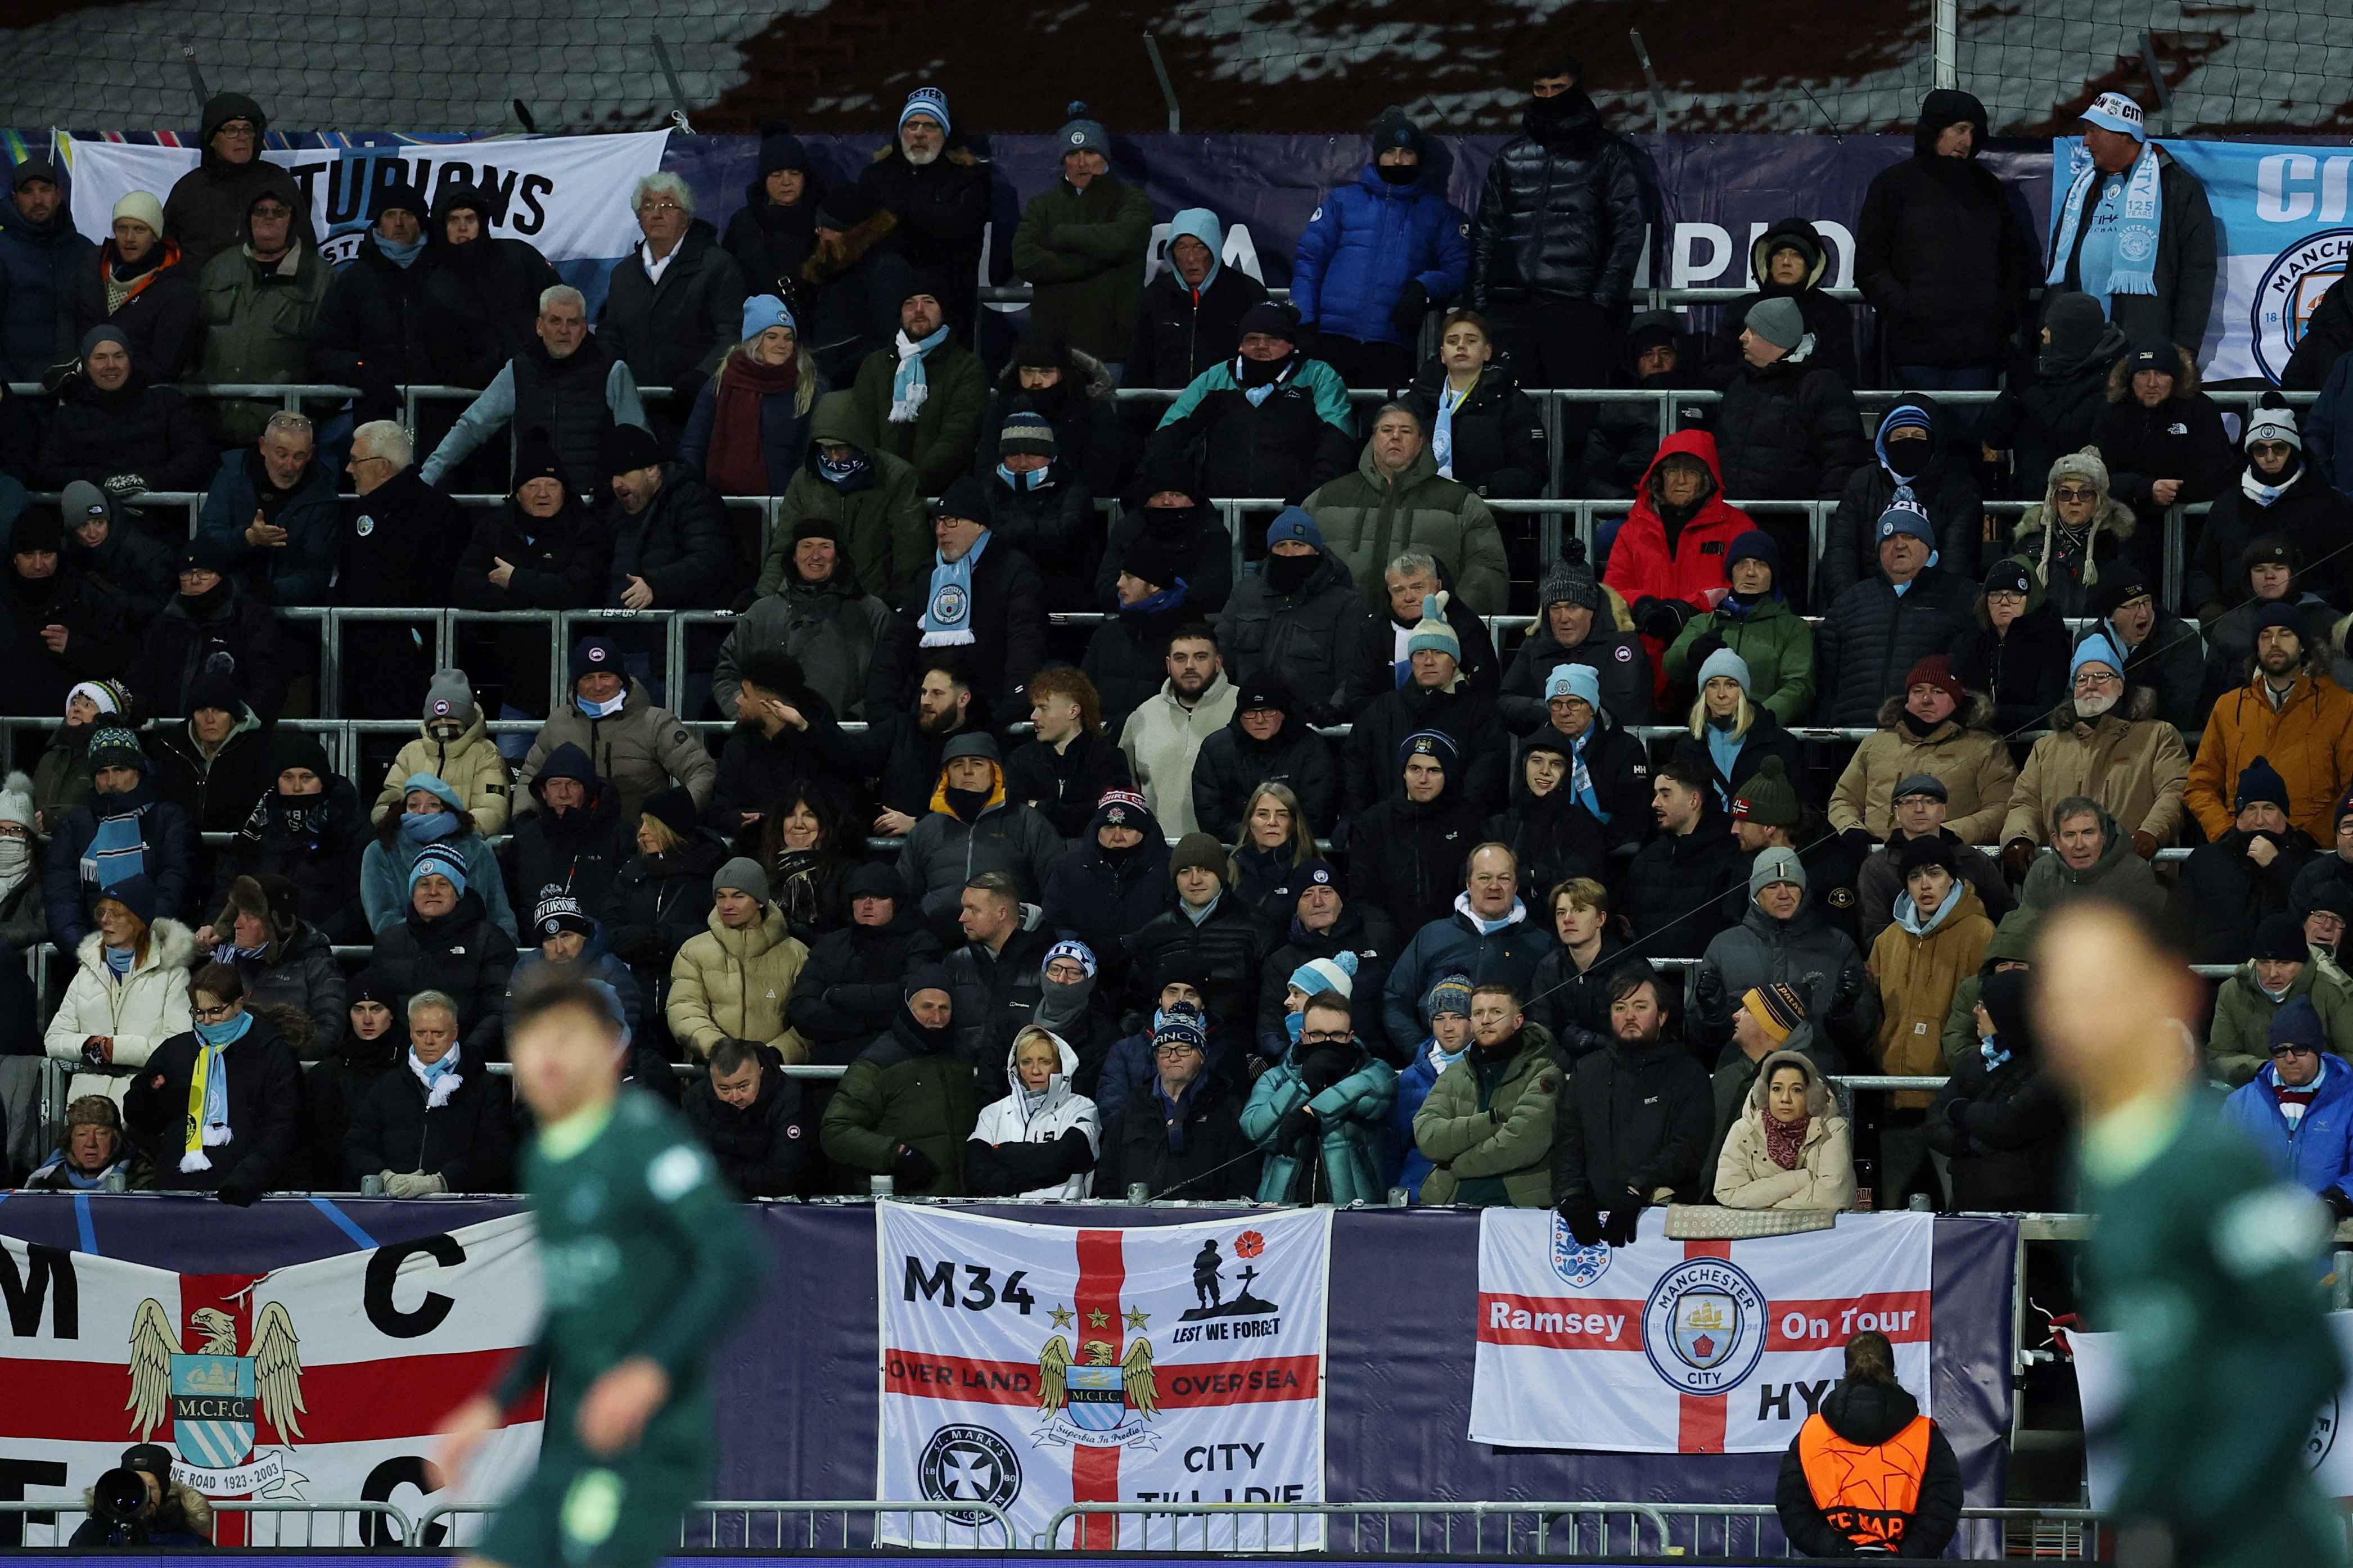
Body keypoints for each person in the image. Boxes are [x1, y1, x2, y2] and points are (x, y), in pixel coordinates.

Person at [2044, 902, 2350, 1568]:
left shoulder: (2212, 1157)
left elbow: (2304, 1356)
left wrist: (2200, 1504)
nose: (2076, 1019)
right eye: (2058, 994)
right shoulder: (2098, 1156)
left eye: (2100, 990)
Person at [434, 977, 761, 1568]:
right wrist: (492, 1403)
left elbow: (738, 1259)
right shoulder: (544, 1157)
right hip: (573, 1443)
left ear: (611, 1049)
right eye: (531, 1040)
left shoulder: (643, 1135)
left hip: (647, 1442)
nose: (547, 1055)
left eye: (567, 1037)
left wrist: (648, 1370)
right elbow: (567, 1306)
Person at [1468, 60, 1644, 396]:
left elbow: (1629, 230)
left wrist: (1600, 303)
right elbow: (1486, 230)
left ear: (1577, 88)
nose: (1549, 97)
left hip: (1575, 309)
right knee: (1507, 414)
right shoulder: (1511, 156)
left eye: (1558, 89)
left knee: (1576, 418)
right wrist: (1479, 301)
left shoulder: (1609, 155)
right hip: (1509, 307)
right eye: (1541, 90)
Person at [1855, 89, 2034, 394]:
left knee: (1970, 441)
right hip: (1914, 355)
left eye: (1973, 133)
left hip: (1979, 355)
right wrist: (1908, 310)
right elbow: (1870, 267)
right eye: (1959, 130)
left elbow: (2016, 262)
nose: (1967, 142)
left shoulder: (1989, 189)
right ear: (1935, 130)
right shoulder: (1892, 186)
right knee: (1916, 438)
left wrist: (1999, 317)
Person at [1291, 106, 1468, 389]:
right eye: (1390, 152)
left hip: (1392, 343)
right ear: (1377, 157)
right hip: (1331, 339)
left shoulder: (1439, 214)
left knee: (1386, 429)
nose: (1398, 161)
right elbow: (1309, 260)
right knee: (1326, 425)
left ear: (1418, 158)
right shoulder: (1343, 201)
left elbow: (1460, 266)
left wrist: (1424, 288)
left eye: (1407, 153)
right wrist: (1304, 322)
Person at [422, 285, 650, 500]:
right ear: (539, 326)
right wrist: (427, 477)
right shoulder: (519, 370)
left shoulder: (612, 370)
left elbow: (638, 442)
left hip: (596, 508)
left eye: (572, 322)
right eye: (555, 321)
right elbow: (472, 427)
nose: (563, 330)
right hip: (534, 507)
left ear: (584, 328)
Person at [1867, 834, 1995, 1205]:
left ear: (1951, 879)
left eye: (1935, 873)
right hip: (1895, 1098)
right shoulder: (1888, 940)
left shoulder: (1980, 933)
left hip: (1953, 1099)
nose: (1925, 884)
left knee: (1959, 1212)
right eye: (1915, 876)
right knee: (1894, 1217)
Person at [2046, 92, 2219, 353]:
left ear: (2123, 135)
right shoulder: (2082, 189)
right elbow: (2056, 268)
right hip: (2077, 348)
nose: (2085, 142)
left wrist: (2183, 349)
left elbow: (2197, 276)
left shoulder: (2178, 188)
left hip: (2140, 350)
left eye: (2094, 132)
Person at [1552, 966, 1713, 1239]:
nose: (1630, 1016)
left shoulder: (1688, 1073)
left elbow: (1688, 1147)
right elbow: (1569, 1141)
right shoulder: (1588, 1070)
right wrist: (1572, 1197)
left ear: (1662, 1016)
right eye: (1620, 1008)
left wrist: (1638, 1188)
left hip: (1659, 1220)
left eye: (1641, 1006)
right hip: (1591, 1218)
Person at [1305, 403, 1509, 615]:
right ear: (1374, 440)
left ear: (1421, 442)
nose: (1395, 437)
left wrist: (1449, 621)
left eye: (1406, 431)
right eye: (1386, 430)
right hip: (1342, 634)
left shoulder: (1461, 501)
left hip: (1429, 639)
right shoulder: (1326, 497)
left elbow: (1487, 570)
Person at [121, 961, 301, 1202]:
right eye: (198, 1011)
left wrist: (248, 1177)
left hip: (248, 1192)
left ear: (239, 1004)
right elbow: (141, 1122)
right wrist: (148, 1094)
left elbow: (283, 1125)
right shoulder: (175, 1051)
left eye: (216, 1011)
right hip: (178, 1190)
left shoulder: (271, 1051)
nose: (206, 1020)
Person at [1147, 300, 1356, 507]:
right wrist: (1156, 485)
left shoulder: (1318, 376)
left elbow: (1338, 438)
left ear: (1291, 344)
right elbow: (1170, 434)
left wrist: (1314, 492)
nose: (1261, 346)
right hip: (1222, 509)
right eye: (1252, 339)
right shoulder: (1215, 378)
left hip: (1298, 512)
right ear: (1240, 345)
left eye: (1273, 339)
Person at [1775, 1330, 1963, 1558]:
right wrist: (1904, 1558)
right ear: (1892, 1370)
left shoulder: (1811, 1434)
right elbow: (1943, 1506)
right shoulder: (1924, 1434)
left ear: (1846, 1370)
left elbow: (1793, 1507)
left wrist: (1840, 1553)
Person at [2000, 635, 2190, 861]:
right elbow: (2025, 802)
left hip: (2134, 870)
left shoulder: (2158, 736)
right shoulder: (2046, 747)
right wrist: (2019, 838)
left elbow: (2175, 790)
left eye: (2102, 677)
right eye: (2082, 679)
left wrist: (2152, 832)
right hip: (2062, 876)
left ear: (2121, 686)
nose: (2091, 685)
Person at [1710, 297, 1869, 555]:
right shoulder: (1740, 384)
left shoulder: (1821, 385)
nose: (1742, 338)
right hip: (1734, 524)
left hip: (1797, 531)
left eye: (1753, 331)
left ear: (1776, 339)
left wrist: (1825, 523)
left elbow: (1842, 461)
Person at [1690, 844, 1881, 1059]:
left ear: (1804, 889)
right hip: (1741, 1077)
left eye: (1791, 885)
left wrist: (1845, 1013)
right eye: (1772, 887)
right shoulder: (1723, 947)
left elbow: (1864, 1034)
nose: (1783, 894)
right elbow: (1699, 1039)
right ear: (1755, 895)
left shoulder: (1838, 946)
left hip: (1815, 1074)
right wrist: (1712, 1014)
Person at [882, 477, 1048, 719]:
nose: (941, 530)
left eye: (952, 521)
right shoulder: (928, 575)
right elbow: (896, 643)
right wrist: (883, 707)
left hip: (988, 712)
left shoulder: (1015, 571)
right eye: (938, 522)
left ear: (980, 525)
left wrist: (1011, 708)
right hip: (925, 713)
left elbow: (1025, 642)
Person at [2189, 603, 2353, 843]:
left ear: (2303, 644)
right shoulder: (2228, 707)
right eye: (2265, 636)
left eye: (2285, 634)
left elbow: (2351, 785)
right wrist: (2225, 832)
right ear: (2256, 647)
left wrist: (2311, 838)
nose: (2274, 643)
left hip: (2311, 856)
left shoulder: (2341, 706)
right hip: (2240, 851)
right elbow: (2200, 784)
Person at [337, 419, 471, 713]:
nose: (349, 469)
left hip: (414, 660)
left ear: (383, 466)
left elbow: (443, 585)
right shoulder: (358, 511)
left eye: (355, 461)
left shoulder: (439, 512)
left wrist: (414, 633)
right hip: (360, 654)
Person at [515, 634, 715, 828]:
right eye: (588, 678)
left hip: (641, 845)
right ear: (575, 683)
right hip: (572, 843)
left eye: (606, 676)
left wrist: (675, 821)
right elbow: (530, 775)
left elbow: (701, 770)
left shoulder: (655, 722)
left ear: (622, 679)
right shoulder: (558, 722)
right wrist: (524, 819)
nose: (598, 686)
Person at [1010, 104, 1153, 368]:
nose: (1082, 162)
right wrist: (1091, 263)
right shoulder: (1042, 205)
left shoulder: (1132, 201)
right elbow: (1025, 260)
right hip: (1054, 350)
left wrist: (1060, 236)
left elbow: (1122, 241)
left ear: (1106, 157)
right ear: (1063, 159)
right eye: (1073, 153)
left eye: (1090, 152)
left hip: (1111, 350)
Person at [194, 174, 332, 447]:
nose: (269, 218)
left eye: (279, 212)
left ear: (293, 219)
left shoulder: (319, 277)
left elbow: (332, 356)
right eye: (260, 211)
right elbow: (189, 343)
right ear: (248, 217)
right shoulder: (217, 269)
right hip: (209, 428)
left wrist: (308, 417)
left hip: (284, 438)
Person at [1602, 432, 1759, 670]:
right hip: (1644, 655)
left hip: (1712, 653)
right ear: (1660, 477)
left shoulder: (1737, 527)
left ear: (1707, 478)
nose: (1681, 480)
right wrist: (1643, 605)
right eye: (1672, 471)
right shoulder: (1633, 529)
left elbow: (1747, 588)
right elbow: (1614, 589)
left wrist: (1688, 609)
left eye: (1691, 472)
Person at [1380, 841, 1556, 1053]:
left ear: (1516, 886)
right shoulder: (1432, 935)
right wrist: (1421, 1052)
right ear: (1468, 884)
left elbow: (1549, 1016)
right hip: (1437, 1070)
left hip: (1509, 1070)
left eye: (1504, 878)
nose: (1494, 886)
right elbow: (1395, 1001)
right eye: (1484, 878)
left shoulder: (1540, 944)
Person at [598, 171, 748, 417]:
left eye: (668, 205)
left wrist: (701, 378)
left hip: (701, 406)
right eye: (648, 206)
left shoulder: (718, 266)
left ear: (686, 217)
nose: (657, 213)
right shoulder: (623, 274)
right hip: (633, 408)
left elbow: (732, 335)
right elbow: (611, 335)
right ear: (638, 217)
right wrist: (612, 375)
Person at [1813, 505, 1978, 728]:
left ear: (1928, 547)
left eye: (1910, 536)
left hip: (1930, 740)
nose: (1899, 545)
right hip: (1853, 738)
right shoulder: (1848, 603)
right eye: (1889, 538)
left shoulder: (1963, 598)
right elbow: (1826, 683)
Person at [718, 519, 896, 724]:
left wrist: (853, 722)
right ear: (794, 555)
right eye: (807, 546)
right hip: (768, 744)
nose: (815, 556)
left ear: (838, 557)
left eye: (825, 547)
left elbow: (889, 680)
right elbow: (727, 673)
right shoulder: (761, 612)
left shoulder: (872, 612)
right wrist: (748, 714)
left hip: (844, 743)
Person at [822, 964, 980, 1195]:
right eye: (927, 1007)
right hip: (902, 1207)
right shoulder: (878, 1063)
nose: (936, 1017)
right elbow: (835, 1131)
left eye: (944, 1008)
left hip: (962, 1202)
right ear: (908, 1007)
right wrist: (896, 1154)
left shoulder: (962, 1058)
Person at [1344, 600, 1510, 816]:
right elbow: (1355, 766)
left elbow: (1484, 782)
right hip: (1392, 831)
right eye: (1420, 654)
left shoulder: (1481, 713)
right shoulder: (1383, 710)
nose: (1428, 661)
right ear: (1411, 661)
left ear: (1455, 661)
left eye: (1438, 653)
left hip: (1457, 833)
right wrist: (1358, 818)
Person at [1412, 978, 1565, 1209]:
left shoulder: (1544, 1071)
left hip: (1517, 1207)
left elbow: (1524, 1143)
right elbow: (1428, 1137)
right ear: (1471, 1022)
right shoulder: (1453, 1074)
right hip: (1446, 1201)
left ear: (1517, 1021)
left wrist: (1458, 1165)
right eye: (1478, 1013)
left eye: (1496, 1012)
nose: (1486, 1020)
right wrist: (1488, 1123)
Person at [1827, 656, 2016, 844]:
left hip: (1949, 858)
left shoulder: (1985, 747)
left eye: (1938, 692)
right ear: (1907, 698)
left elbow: (2001, 808)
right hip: (1876, 858)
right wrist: (1853, 830)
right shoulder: (1875, 743)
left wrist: (1941, 835)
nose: (1926, 700)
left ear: (1958, 699)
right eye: (1918, 691)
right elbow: (1843, 800)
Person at [42, 876, 196, 1105]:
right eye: (101, 913)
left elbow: (178, 1046)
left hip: (143, 1105)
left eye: (115, 914)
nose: (105, 921)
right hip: (86, 1105)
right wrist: (88, 1044)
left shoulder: (172, 975)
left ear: (139, 920)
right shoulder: (88, 970)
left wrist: (115, 1049)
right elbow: (53, 1039)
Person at [344, 989, 515, 1194]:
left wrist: (442, 1181)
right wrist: (385, 1176)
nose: (429, 1041)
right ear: (410, 1032)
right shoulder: (388, 1085)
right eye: (420, 1033)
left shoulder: (484, 1086)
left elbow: (496, 1154)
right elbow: (355, 1145)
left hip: (462, 1210)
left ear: (455, 1032)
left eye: (438, 1033)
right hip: (391, 1206)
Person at [2193, 397, 2353, 617]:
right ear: (2250, 453)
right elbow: (2202, 569)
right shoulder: (2227, 505)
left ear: (2293, 450)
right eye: (2261, 449)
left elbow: (2345, 573)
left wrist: (2320, 612)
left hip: (2309, 627)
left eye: (2279, 448)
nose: (2270, 458)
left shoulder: (2329, 504)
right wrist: (2209, 607)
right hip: (2240, 625)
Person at [1925, 968, 2067, 1211]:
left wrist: (1959, 1110)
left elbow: (2008, 1124)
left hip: (2029, 1214)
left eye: (1983, 1005)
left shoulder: (2051, 1070)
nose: (1975, 1012)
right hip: (1968, 1204)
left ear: (2007, 1013)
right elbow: (1933, 1124)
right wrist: (1969, 1145)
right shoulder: (1973, 1062)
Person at [42, 729, 197, 949]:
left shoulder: (168, 819)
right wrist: (85, 949)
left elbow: (175, 884)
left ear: (138, 771)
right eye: (102, 772)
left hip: (155, 948)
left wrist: (138, 940)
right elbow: (61, 896)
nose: (111, 781)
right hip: (91, 956)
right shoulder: (74, 826)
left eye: (120, 769)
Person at [1241, 991, 1398, 1203]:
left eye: (1337, 1035)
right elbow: (1255, 1131)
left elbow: (1372, 1093)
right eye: (1317, 1035)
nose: (1327, 1042)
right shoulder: (1275, 1078)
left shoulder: (1375, 1072)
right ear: (1304, 1035)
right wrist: (1303, 1085)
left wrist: (1312, 1111)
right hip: (1282, 1212)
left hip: (1351, 1214)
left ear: (1350, 1036)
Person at [1822, 400, 1984, 604]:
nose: (1909, 443)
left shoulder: (1960, 487)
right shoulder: (1862, 482)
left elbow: (1958, 562)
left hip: (1934, 611)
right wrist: (1851, 606)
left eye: (1919, 436)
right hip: (1864, 606)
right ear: (1884, 443)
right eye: (1899, 437)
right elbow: (1841, 552)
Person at [855, 86, 991, 331]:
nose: (919, 133)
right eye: (912, 125)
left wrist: (900, 215)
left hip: (950, 312)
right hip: (884, 313)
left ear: (946, 134)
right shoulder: (875, 177)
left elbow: (960, 236)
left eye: (930, 126)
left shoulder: (969, 179)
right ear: (901, 132)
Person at [415, 183, 565, 402]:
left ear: (482, 222)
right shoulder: (429, 278)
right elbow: (437, 355)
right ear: (442, 225)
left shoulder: (519, 256)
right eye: (454, 220)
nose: (463, 228)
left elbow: (562, 310)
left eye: (470, 219)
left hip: (538, 389)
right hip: (463, 402)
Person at [369, 843, 519, 1058]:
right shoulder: (389, 941)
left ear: (458, 893)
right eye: (423, 884)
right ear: (413, 892)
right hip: (403, 1063)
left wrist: (466, 1055)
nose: (432, 891)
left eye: (443, 884)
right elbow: (381, 1008)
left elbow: (498, 1009)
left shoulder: (489, 939)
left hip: (470, 1063)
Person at [1093, 1005, 1257, 1199]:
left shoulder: (1226, 1107)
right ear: (1156, 1058)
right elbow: (1107, 1177)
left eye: (1184, 1049)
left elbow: (1243, 1179)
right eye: (1165, 1050)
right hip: (1138, 1223)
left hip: (1204, 1225)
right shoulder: (1132, 1108)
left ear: (1202, 1056)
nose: (1173, 1057)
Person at [1121, 833, 1271, 1044]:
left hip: (1236, 1052)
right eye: (1185, 872)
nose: (1195, 880)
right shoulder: (1154, 932)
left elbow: (1270, 1002)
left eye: (1205, 870)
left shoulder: (1257, 927)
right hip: (1165, 1052)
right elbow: (1135, 1002)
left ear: (1221, 874)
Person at [309, 179, 439, 419]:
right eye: (390, 215)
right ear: (379, 222)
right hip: (376, 414)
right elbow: (326, 348)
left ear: (420, 221)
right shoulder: (356, 280)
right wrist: (363, 372)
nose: (398, 223)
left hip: (442, 410)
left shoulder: (444, 273)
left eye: (407, 214)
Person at [1981, 292, 2129, 500]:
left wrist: (2027, 390)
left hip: (2078, 504)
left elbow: (2071, 437)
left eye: (2051, 328)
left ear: (2069, 334)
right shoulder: (2039, 370)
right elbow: (1995, 437)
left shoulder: (2110, 382)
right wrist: (2014, 394)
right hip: (2026, 502)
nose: (2043, 333)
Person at [788, 861, 943, 1058]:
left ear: (896, 902)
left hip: (897, 1061)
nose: (868, 904)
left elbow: (909, 1001)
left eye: (878, 896)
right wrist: (868, 1023)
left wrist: (838, 994)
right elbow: (802, 1009)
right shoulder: (831, 944)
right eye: (860, 896)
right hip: (831, 1065)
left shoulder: (921, 942)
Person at [37, 326, 214, 498]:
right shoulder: (70, 413)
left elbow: (195, 457)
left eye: (119, 356)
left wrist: (147, 480)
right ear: (85, 364)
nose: (111, 365)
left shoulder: (165, 402)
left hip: (159, 515)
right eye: (100, 358)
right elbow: (49, 470)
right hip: (94, 519)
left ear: (130, 360)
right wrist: (102, 483)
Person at [2217, 995, 2353, 1218]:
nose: (2289, 1058)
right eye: (2280, 1050)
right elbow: (2219, 1170)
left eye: (2299, 1049)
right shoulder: (2240, 1105)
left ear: (2317, 1049)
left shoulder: (2348, 1102)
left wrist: (2335, 1202)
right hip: (2256, 1236)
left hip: (2331, 1240)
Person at [849, 278, 989, 494]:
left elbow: (959, 436)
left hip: (943, 496)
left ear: (944, 311)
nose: (919, 310)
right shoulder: (875, 365)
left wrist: (913, 484)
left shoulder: (966, 367)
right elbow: (862, 429)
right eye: (909, 304)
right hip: (879, 492)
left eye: (929, 302)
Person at [666, 857, 811, 1064]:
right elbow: (683, 1008)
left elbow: (809, 1023)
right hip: (712, 1072)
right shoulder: (693, 950)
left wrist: (775, 1056)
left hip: (777, 1075)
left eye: (738, 896)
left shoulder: (797, 954)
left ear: (760, 900)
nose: (727, 905)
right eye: (720, 896)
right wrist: (719, 1050)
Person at [679, 296, 824, 501]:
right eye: (772, 337)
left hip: (788, 505)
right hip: (722, 505)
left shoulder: (810, 386)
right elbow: (693, 446)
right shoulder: (721, 383)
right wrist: (693, 495)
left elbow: (817, 451)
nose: (781, 345)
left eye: (788, 338)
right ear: (754, 341)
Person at [1660, 531, 1813, 724]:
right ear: (1731, 571)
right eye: (1742, 564)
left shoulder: (1793, 628)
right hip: (1707, 733)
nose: (1750, 572)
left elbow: (1799, 685)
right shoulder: (1703, 623)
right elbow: (1671, 668)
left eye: (1761, 565)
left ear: (1773, 574)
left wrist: (1759, 717)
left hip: (1765, 733)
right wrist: (1691, 654)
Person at [2094, 337, 2237, 540]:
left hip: (2191, 528)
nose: (2152, 383)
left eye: (2161, 373)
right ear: (2130, 378)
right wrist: (2145, 489)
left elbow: (2218, 471)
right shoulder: (2112, 412)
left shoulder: (2199, 409)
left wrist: (2174, 490)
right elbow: (2098, 473)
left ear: (2175, 378)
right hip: (2123, 531)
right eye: (2143, 374)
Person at [703, 655, 850, 852]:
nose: (737, 700)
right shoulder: (737, 746)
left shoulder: (819, 743)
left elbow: (837, 808)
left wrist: (773, 820)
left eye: (746, 695)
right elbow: (720, 808)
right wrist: (743, 820)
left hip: (818, 856)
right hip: (757, 852)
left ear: (769, 704)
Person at [194, 410, 339, 609]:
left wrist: (265, 595)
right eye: (281, 454)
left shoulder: (323, 494)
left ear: (311, 454)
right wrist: (247, 539)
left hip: (288, 616)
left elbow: (316, 573)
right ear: (263, 446)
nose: (289, 466)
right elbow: (206, 542)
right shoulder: (232, 474)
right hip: (226, 607)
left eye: (299, 457)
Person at [0, 505, 132, 724]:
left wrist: (76, 648)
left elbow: (120, 659)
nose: (38, 564)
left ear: (58, 555)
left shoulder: (87, 598)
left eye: (46, 554)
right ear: (14, 557)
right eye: (28, 555)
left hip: (69, 733)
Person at [1400, 310, 1547, 501]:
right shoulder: (1414, 401)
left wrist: (1474, 490)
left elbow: (1530, 473)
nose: (1461, 346)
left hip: (1485, 513)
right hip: (1418, 509)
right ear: (1443, 355)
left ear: (1487, 352)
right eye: (1453, 341)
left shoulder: (1511, 402)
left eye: (1471, 341)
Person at [1852, 774, 2014, 945]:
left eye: (1929, 801)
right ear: (1897, 813)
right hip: (1901, 962)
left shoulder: (1974, 861)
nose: (1919, 809)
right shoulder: (1877, 868)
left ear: (1944, 811)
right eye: (1909, 802)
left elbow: (2006, 917)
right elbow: (1873, 931)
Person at [1503, 541, 1654, 720]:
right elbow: (1506, 701)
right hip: (1546, 743)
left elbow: (1630, 707)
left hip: (1606, 745)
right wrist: (1547, 710)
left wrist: (1577, 713)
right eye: (1555, 608)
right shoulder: (1537, 641)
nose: (1563, 617)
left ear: (1592, 609)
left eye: (1573, 607)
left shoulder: (1621, 644)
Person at [980, 396, 1105, 613]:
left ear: (1050, 455)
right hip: (997, 594)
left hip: (1056, 594)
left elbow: (1067, 539)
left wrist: (1011, 527)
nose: (1023, 463)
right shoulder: (987, 488)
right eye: (1014, 455)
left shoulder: (1072, 489)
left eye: (1033, 454)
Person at [197, 872, 344, 1056]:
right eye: (237, 914)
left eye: (248, 916)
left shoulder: (315, 963)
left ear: (275, 924)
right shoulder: (224, 959)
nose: (237, 924)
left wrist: (274, 1057)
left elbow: (328, 1033)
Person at [1344, 548, 1505, 713]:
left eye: (1418, 588)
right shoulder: (1373, 630)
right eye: (1399, 590)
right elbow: (1356, 697)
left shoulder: (1466, 626)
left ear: (1439, 586)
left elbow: (1486, 690)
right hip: (1389, 727)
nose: (1409, 597)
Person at [599, 423, 737, 612]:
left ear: (652, 471)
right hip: (615, 625)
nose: (617, 484)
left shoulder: (692, 499)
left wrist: (656, 585)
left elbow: (710, 560)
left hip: (676, 626)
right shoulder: (611, 511)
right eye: (612, 476)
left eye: (624, 473)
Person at [1039, 788, 1170, 988]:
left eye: (1127, 828)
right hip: (1083, 972)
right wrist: (1085, 946)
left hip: (1152, 970)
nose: (1117, 837)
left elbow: (1174, 920)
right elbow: (1054, 918)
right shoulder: (1067, 866)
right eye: (1109, 827)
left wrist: (1131, 944)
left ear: (1143, 830)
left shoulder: (1167, 867)